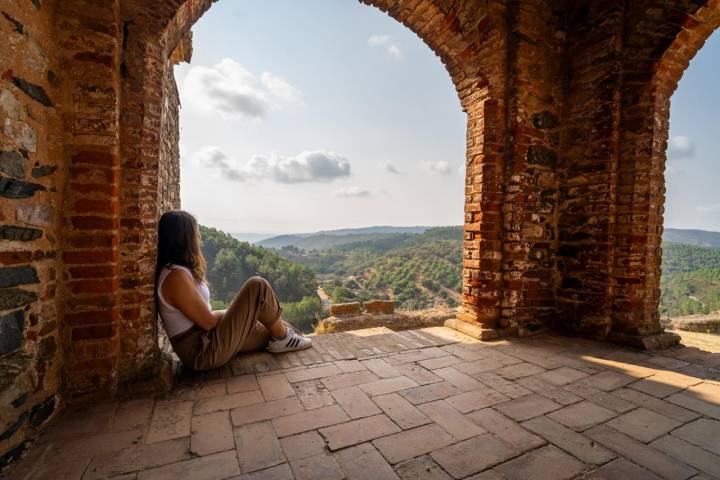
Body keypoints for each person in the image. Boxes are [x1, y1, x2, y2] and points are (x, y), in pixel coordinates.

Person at [155, 210, 312, 371]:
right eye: (196, 232)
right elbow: (207, 321)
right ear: (184, 238)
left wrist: (242, 313)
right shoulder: (175, 277)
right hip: (203, 351)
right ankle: (284, 338)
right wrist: (238, 312)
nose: (199, 237)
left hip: (210, 338)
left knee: (279, 327)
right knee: (258, 286)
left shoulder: (179, 271)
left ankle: (284, 337)